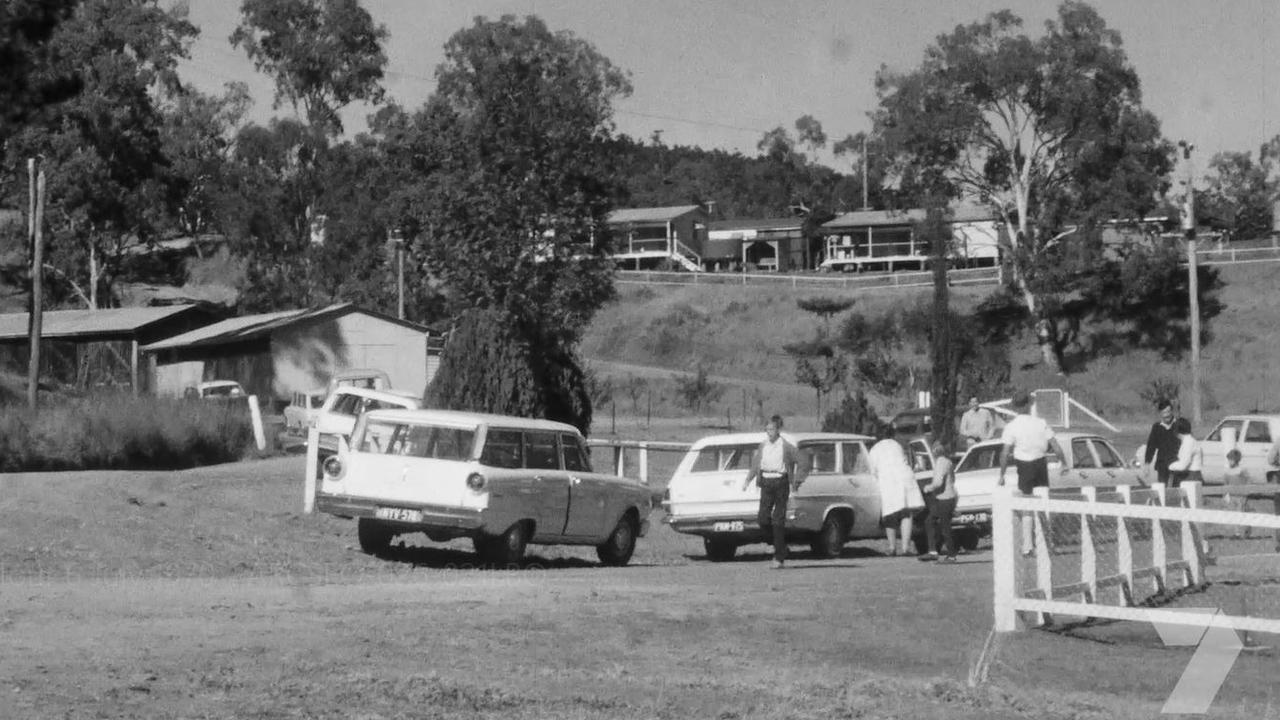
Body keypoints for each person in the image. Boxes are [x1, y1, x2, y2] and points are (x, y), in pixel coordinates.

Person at [997, 390, 1055, 555]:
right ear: (1029, 404)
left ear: (1015, 406)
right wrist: (1064, 463)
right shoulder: (1040, 423)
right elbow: (1055, 445)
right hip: (1040, 463)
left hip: (1024, 465)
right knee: (1043, 502)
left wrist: (1001, 475)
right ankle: (1047, 543)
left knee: (1027, 505)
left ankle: (1028, 546)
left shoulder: (1011, 426)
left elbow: (1004, 452)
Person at [742, 414, 800, 569]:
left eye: (772, 429)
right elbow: (756, 464)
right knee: (762, 519)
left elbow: (802, 460)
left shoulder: (786, 446)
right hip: (766, 482)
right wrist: (748, 480)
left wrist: (797, 480)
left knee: (778, 520)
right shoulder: (763, 446)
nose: (769, 432)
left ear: (778, 429)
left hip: (781, 482)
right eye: (767, 429)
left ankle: (779, 557)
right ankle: (780, 546)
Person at [868, 423, 924, 556]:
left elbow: (872, 470)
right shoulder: (896, 445)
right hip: (905, 477)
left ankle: (892, 547)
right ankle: (905, 548)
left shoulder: (875, 449)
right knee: (906, 513)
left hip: (888, 480)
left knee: (889, 514)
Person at [918, 440, 958, 563]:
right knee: (929, 521)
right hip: (947, 497)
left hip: (945, 499)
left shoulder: (941, 463)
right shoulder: (948, 462)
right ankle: (933, 551)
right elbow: (953, 479)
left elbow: (938, 482)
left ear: (935, 451)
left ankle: (951, 555)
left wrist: (927, 488)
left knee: (944, 527)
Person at [1143, 401, 1182, 486]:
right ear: (1160, 413)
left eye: (1168, 412)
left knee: (1177, 491)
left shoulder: (1179, 425)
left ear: (1172, 411)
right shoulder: (1157, 427)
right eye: (1164, 412)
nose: (1166, 415)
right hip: (1162, 465)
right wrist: (1147, 463)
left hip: (1177, 464)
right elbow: (1151, 446)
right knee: (1162, 490)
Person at [1166, 417, 1203, 488]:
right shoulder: (1189, 441)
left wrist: (1171, 466)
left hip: (1192, 476)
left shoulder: (1188, 443)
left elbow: (1183, 465)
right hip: (1190, 475)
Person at [1222, 448, 1251, 538]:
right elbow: (1225, 483)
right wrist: (1225, 495)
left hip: (1241, 496)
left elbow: (1248, 481)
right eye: (1229, 459)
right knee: (1234, 514)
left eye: (1232, 459)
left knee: (1241, 513)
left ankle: (1246, 531)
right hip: (1232, 496)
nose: (1230, 461)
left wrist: (1246, 493)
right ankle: (1237, 533)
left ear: (1237, 460)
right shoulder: (1227, 471)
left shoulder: (1242, 470)